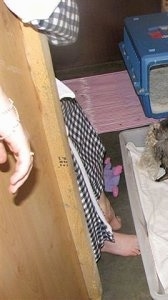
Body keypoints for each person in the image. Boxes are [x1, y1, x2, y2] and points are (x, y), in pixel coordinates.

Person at [3, 0, 140, 259]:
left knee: (84, 145)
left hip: (38, 91)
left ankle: (102, 205)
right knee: (69, 173)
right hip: (25, 104)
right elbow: (63, 23)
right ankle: (101, 238)